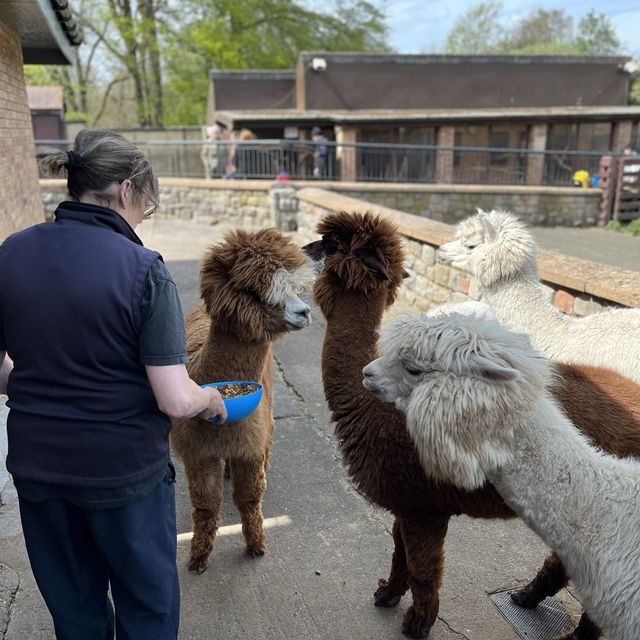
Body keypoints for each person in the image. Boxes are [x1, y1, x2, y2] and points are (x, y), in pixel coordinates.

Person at [0, 128, 227, 640]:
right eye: (146, 206)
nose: (142, 216)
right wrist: (209, 397)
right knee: (146, 607)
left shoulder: (10, 253)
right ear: (127, 190)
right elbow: (173, 396)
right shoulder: (143, 269)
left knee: (75, 612)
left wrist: (41, 380)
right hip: (121, 476)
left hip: (38, 470)